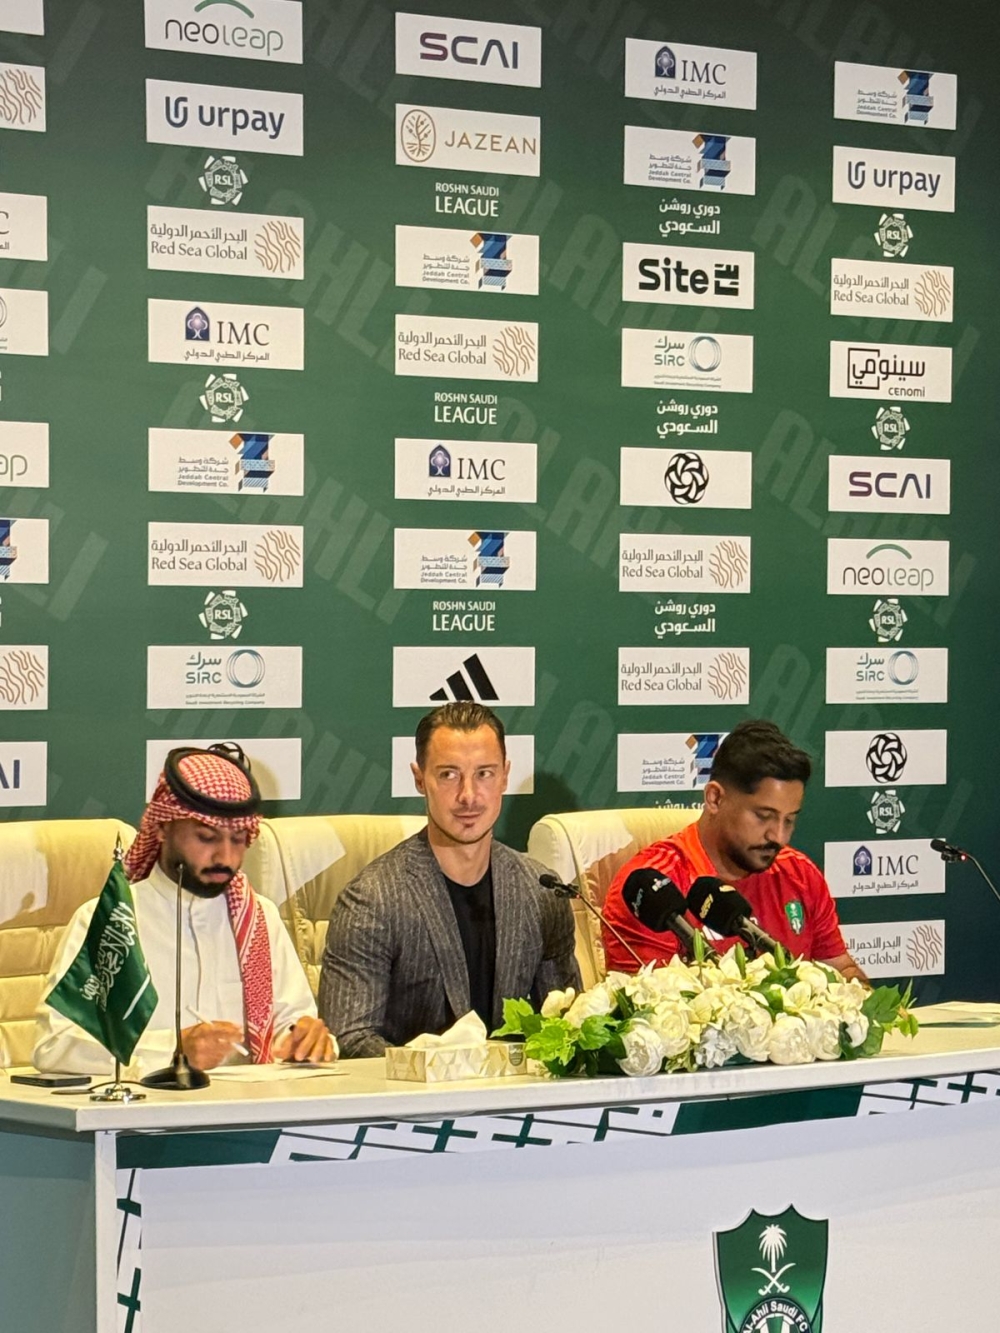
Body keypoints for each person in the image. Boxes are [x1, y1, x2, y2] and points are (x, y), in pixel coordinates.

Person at [34, 744, 336, 1076]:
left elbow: (289, 1025)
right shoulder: (114, 920)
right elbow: (55, 1046)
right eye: (207, 838)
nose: (226, 857)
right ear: (163, 828)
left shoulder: (259, 918)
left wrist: (305, 1040)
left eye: (238, 839)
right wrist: (173, 1051)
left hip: (252, 1103)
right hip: (150, 1105)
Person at [319, 702, 580, 1057]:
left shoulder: (542, 891)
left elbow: (566, 1028)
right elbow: (349, 1039)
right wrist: (442, 1075)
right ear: (419, 779)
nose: (468, 796)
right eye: (448, 775)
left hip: (517, 1089)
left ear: (505, 775)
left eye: (484, 773)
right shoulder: (372, 899)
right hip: (412, 1092)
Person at [602, 720, 868, 981]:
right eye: (764, 816)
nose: (779, 837)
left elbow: (841, 970)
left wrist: (858, 995)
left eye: (789, 820)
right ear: (715, 798)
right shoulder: (654, 892)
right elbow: (649, 1003)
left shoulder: (800, 874)